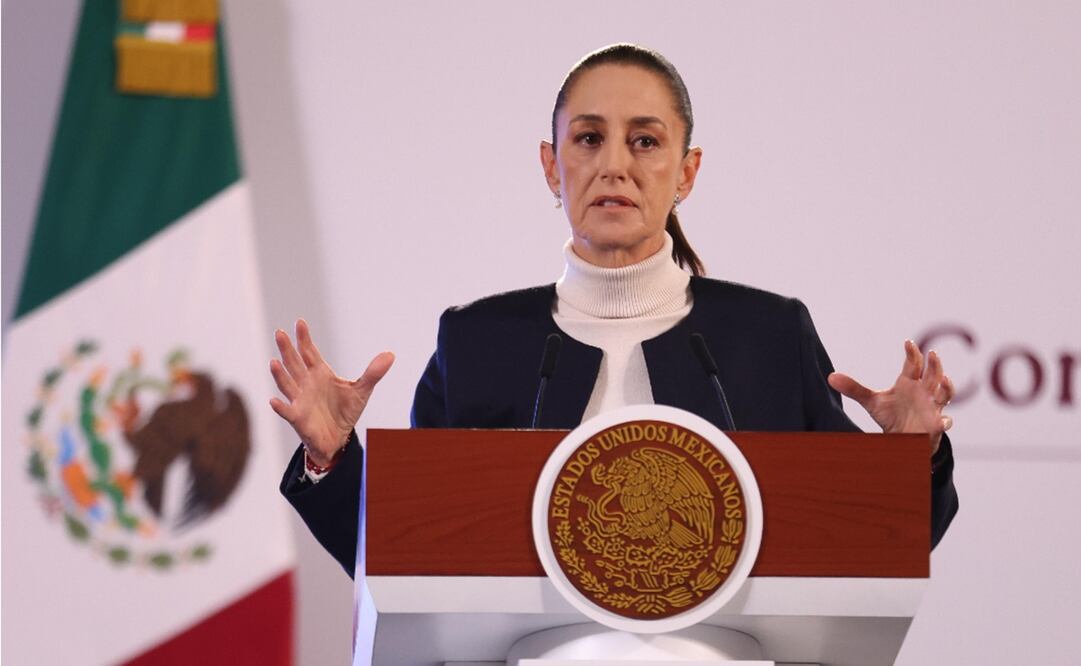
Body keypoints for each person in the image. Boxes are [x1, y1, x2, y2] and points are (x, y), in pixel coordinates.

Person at [272, 44, 959, 577]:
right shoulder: (478, 342)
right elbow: (405, 556)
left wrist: (912, 461)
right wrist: (332, 459)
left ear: (686, 171)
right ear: (552, 165)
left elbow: (869, 540)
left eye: (645, 141)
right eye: (588, 138)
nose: (614, 166)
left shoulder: (768, 336)